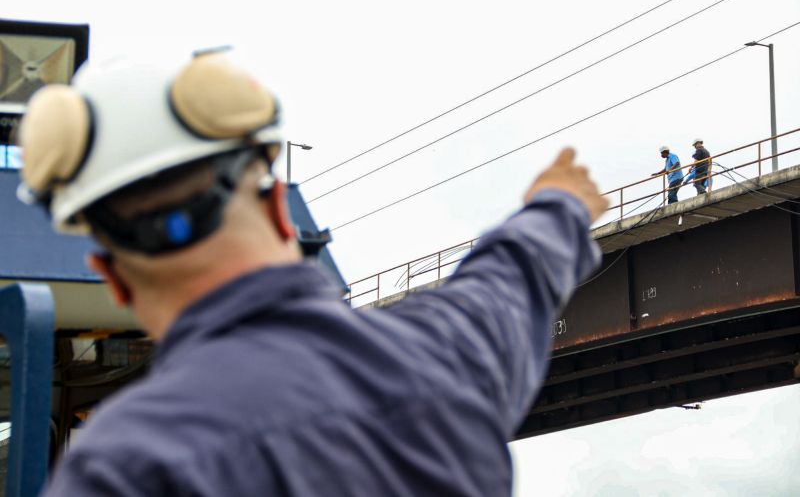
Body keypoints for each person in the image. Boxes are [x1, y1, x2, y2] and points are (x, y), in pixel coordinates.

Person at [18, 51, 607, 496]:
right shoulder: (445, 356)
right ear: (279, 209)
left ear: (112, 279)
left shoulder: (124, 466)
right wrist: (559, 205)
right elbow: (511, 278)